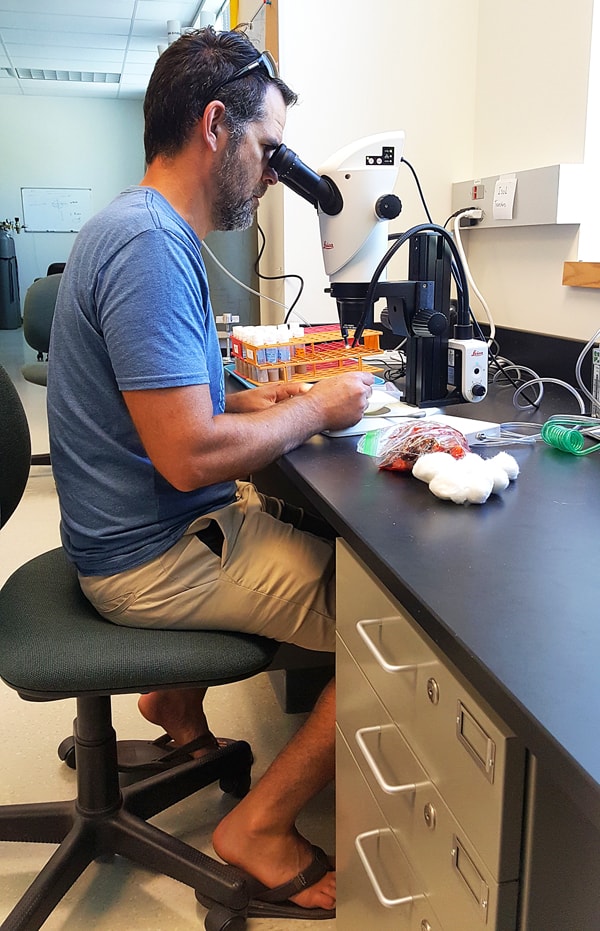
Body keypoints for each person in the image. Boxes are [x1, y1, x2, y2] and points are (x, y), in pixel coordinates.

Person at [47, 26, 374, 916]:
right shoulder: (151, 246)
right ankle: (259, 825)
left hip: (132, 524)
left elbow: (190, 398)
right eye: (268, 150)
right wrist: (318, 410)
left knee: (297, 514)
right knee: (389, 628)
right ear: (216, 125)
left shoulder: (146, 226)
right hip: (149, 557)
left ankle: (174, 706)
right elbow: (187, 449)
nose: (272, 172)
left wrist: (276, 402)